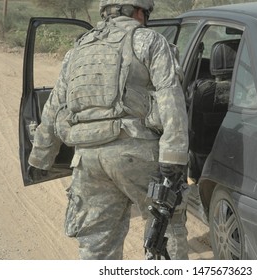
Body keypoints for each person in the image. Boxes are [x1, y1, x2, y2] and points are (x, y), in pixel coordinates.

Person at [28, 0, 189, 260]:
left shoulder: (79, 49)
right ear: (139, 11)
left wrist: (39, 158)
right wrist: (173, 158)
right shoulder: (149, 40)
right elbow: (171, 98)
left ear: (106, 12)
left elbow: (54, 106)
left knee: (97, 244)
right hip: (135, 153)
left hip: (88, 160)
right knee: (167, 229)